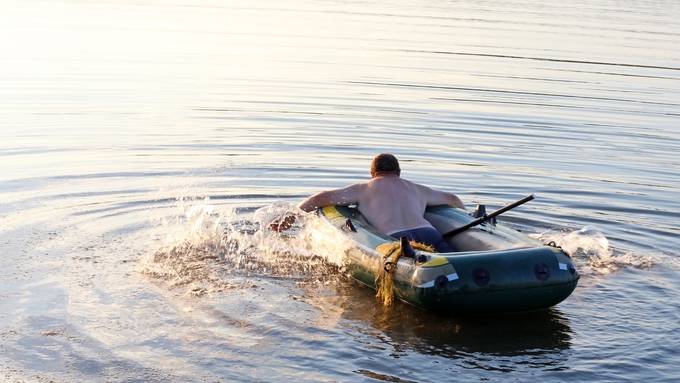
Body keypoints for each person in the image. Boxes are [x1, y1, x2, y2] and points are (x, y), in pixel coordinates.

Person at [270, 153, 464, 252]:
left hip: (396, 238)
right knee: (452, 259)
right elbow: (453, 199)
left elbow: (319, 198)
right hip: (430, 232)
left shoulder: (364, 189)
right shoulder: (417, 189)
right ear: (399, 172)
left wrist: (289, 219)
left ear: (372, 173)